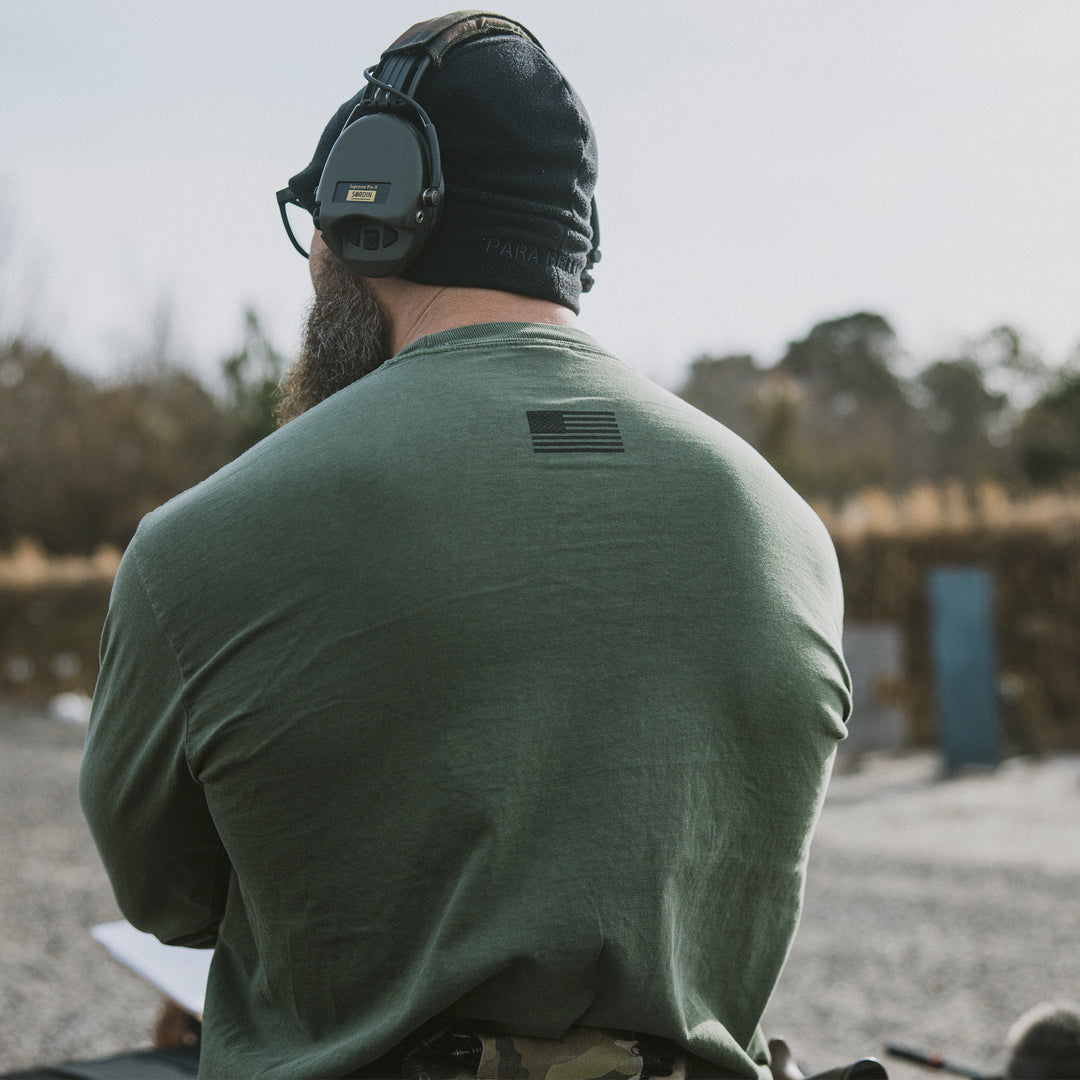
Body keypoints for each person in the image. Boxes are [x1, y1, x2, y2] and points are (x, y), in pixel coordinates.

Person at [79, 12, 851, 1079]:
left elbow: (167, 899)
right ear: (575, 238)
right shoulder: (790, 535)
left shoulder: (194, 545)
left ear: (372, 208)